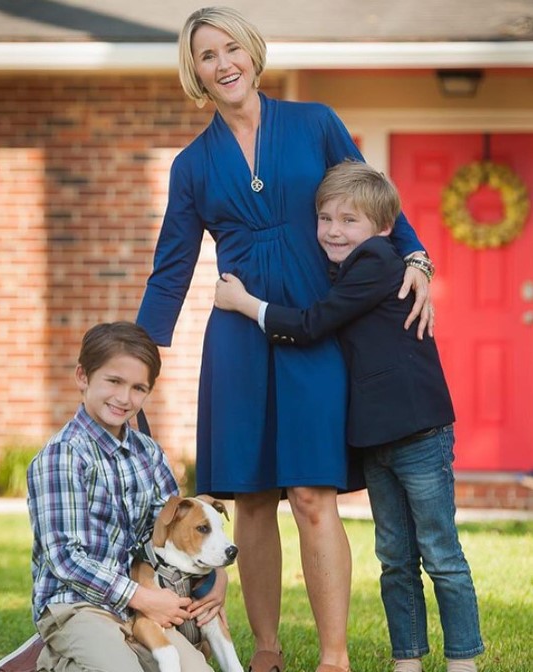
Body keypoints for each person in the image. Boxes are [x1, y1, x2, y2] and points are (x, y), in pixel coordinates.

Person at [135, 7, 433, 672]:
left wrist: (415, 256)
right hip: (237, 341)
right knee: (252, 496)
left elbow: (371, 199)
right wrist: (137, 354)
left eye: (230, 48)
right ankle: (265, 650)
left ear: (251, 53)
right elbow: (171, 266)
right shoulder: (191, 165)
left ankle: (334, 656)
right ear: (196, 73)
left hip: (315, 325)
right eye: (206, 55)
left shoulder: (314, 123)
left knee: (310, 493)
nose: (222, 63)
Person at [214, 160, 484, 672]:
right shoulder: (343, 266)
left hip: (419, 430)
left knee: (440, 552)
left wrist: (244, 302)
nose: (334, 231)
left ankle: (462, 659)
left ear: (383, 228)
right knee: (395, 557)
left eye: (349, 220)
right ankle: (407, 659)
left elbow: (314, 324)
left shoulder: (379, 262)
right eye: (325, 218)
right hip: (374, 437)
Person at [21, 322, 225, 672]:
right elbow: (66, 559)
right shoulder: (63, 456)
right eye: (113, 381)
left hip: (141, 607)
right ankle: (44, 661)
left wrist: (217, 579)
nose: (124, 398)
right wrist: (142, 597)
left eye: (138, 388)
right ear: (83, 376)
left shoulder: (148, 453)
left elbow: (168, 534)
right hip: (76, 604)